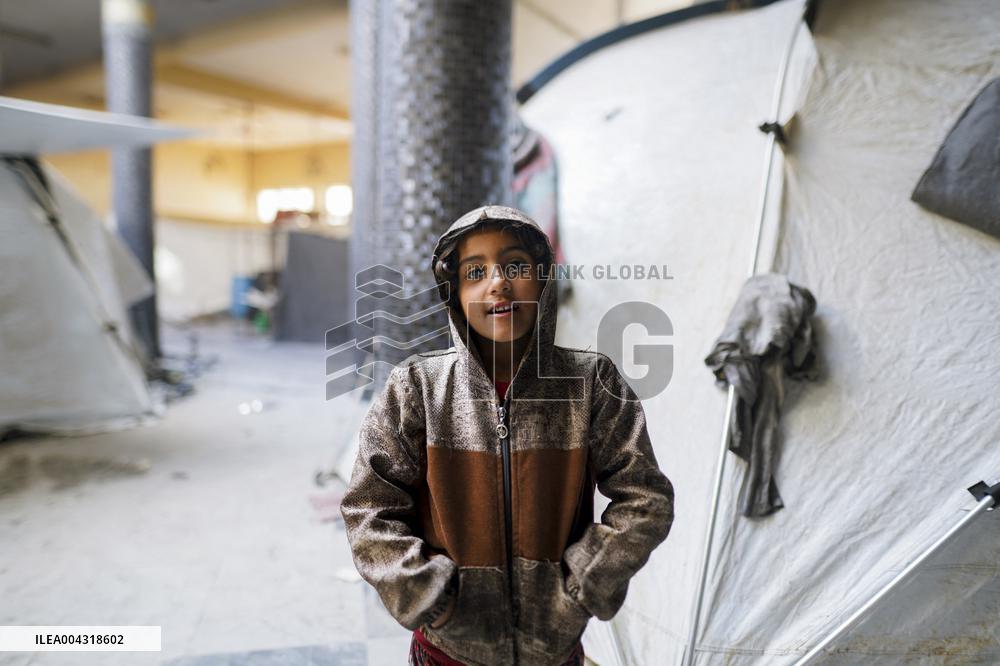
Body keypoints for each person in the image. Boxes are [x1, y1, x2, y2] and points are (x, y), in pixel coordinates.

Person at [340, 205, 675, 666]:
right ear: (454, 294)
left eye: (515, 265)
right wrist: (431, 596)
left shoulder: (589, 383)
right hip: (447, 653)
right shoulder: (416, 389)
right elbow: (368, 509)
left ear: (542, 279)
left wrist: (582, 583)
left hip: (554, 653)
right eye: (475, 271)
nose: (498, 282)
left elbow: (645, 498)